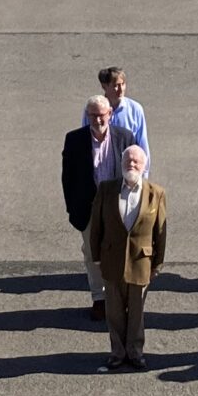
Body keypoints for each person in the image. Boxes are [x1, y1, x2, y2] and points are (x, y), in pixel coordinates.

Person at [83, 143, 167, 370]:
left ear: (144, 166)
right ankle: (117, 352)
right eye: (127, 160)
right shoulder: (106, 189)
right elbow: (96, 226)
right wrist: (96, 257)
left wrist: (158, 263)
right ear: (121, 164)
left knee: (137, 313)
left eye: (136, 161)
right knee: (114, 312)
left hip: (141, 262)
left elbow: (160, 232)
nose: (131, 164)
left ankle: (135, 352)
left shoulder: (156, 193)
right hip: (112, 260)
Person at [60, 93, 120, 323]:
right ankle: (99, 298)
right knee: (93, 254)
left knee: (116, 252)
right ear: (87, 115)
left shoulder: (124, 137)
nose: (98, 120)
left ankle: (116, 297)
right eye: (93, 115)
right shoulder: (74, 140)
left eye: (101, 115)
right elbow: (67, 178)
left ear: (110, 114)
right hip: (88, 208)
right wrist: (72, 208)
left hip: (116, 208)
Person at [88, 65, 149, 158]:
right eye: (116, 85)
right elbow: (85, 138)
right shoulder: (93, 108)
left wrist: (143, 166)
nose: (121, 89)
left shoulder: (135, 109)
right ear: (104, 86)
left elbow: (142, 143)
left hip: (125, 163)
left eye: (123, 84)